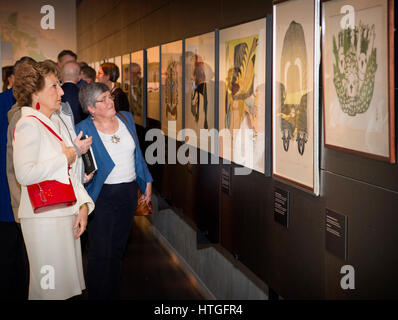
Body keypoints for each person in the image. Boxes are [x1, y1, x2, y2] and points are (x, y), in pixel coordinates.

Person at [12, 59, 95, 300]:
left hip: (63, 214)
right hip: (43, 220)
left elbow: (70, 172)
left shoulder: (55, 121)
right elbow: (25, 174)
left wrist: (82, 206)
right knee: (49, 291)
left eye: (60, 85)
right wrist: (68, 155)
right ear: (34, 92)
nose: (61, 92)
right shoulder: (27, 124)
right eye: (54, 86)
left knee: (66, 289)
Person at [76, 82, 153, 299]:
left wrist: (145, 179)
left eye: (110, 97)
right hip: (102, 196)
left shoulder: (126, 118)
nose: (111, 102)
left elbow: (137, 153)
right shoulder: (82, 129)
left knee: (118, 249)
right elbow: (78, 166)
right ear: (91, 108)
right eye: (104, 100)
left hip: (128, 192)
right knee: (101, 252)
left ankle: (111, 293)